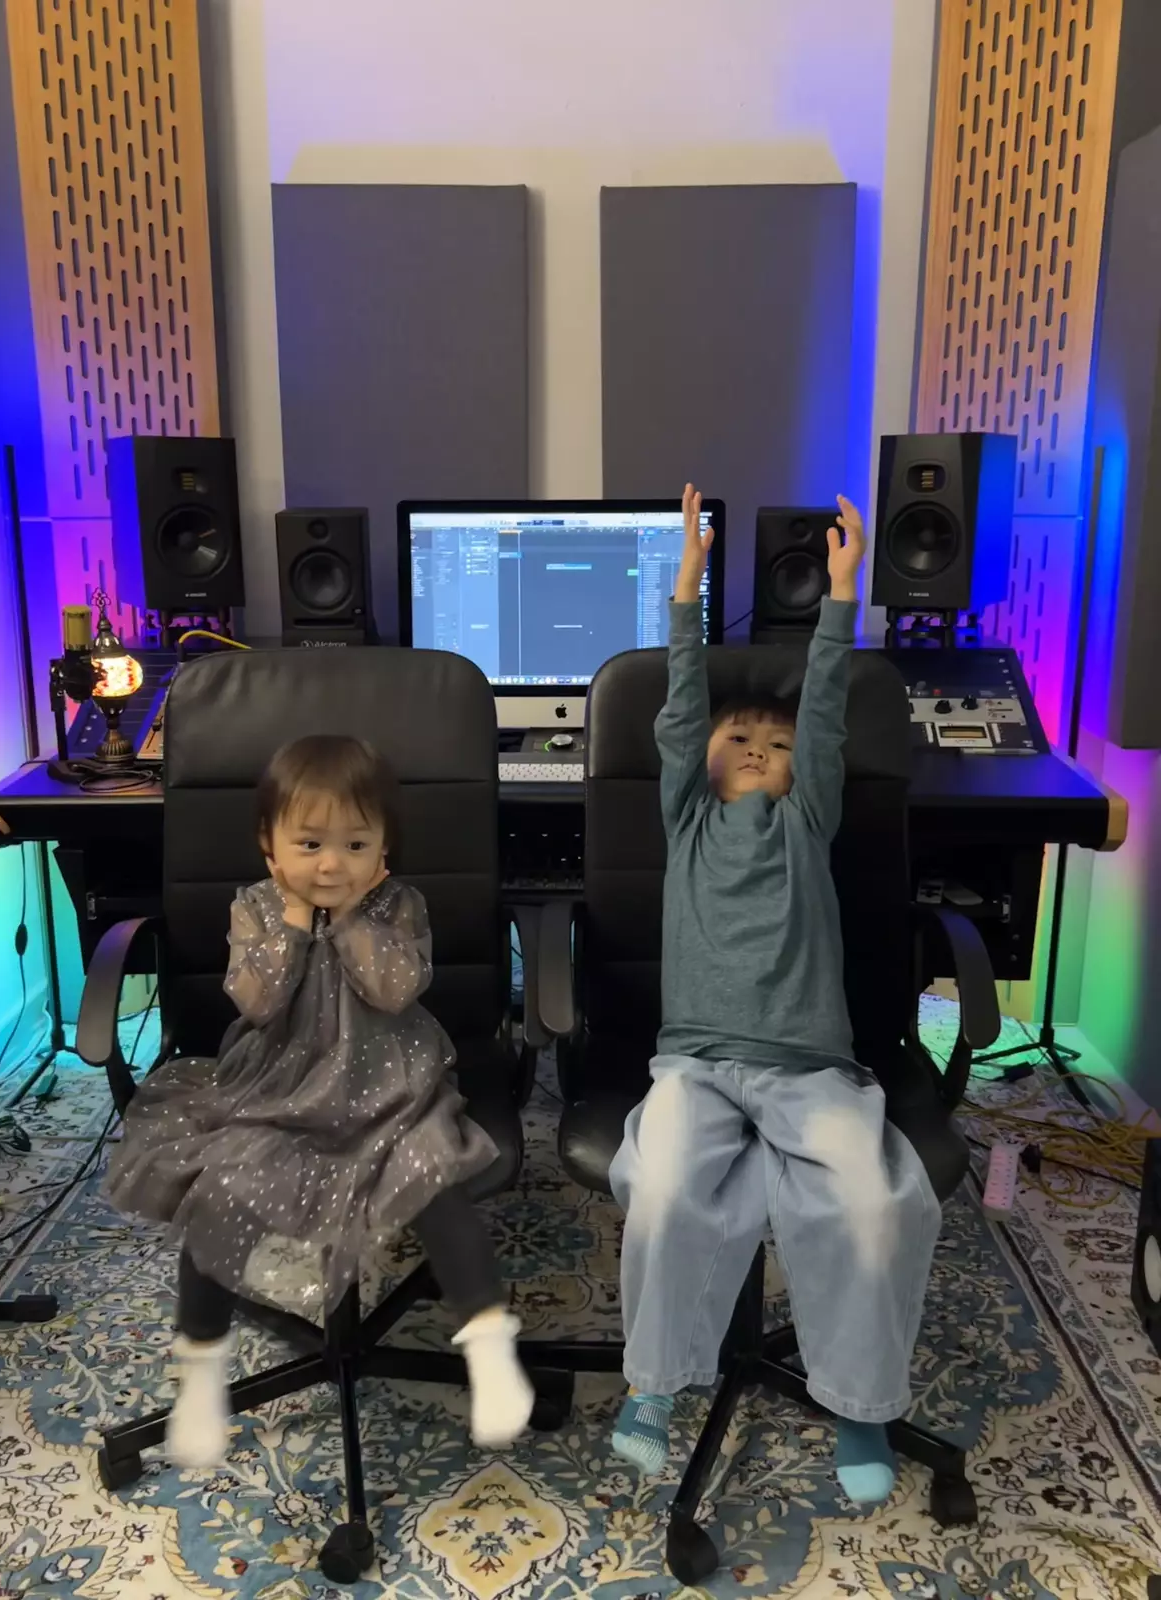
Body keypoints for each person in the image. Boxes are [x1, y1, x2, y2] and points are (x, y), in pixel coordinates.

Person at [608, 484, 941, 1506]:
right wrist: (687, 589)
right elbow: (679, 713)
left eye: (777, 746)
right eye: (738, 739)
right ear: (703, 764)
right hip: (697, 1065)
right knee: (663, 1187)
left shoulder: (806, 822)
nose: (759, 748)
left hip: (812, 1068)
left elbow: (827, 713)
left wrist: (843, 596)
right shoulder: (687, 820)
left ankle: (860, 1398)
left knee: (871, 1203)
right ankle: (655, 1385)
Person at [106, 733, 534, 1468]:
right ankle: (200, 1371)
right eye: (309, 844)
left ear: (384, 849)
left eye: (355, 845)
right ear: (270, 847)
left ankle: (489, 1344)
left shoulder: (399, 905)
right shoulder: (256, 907)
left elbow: (396, 990)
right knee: (221, 1188)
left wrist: (354, 920)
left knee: (434, 1172)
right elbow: (257, 1001)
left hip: (392, 1087)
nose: (332, 864)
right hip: (276, 1086)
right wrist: (298, 926)